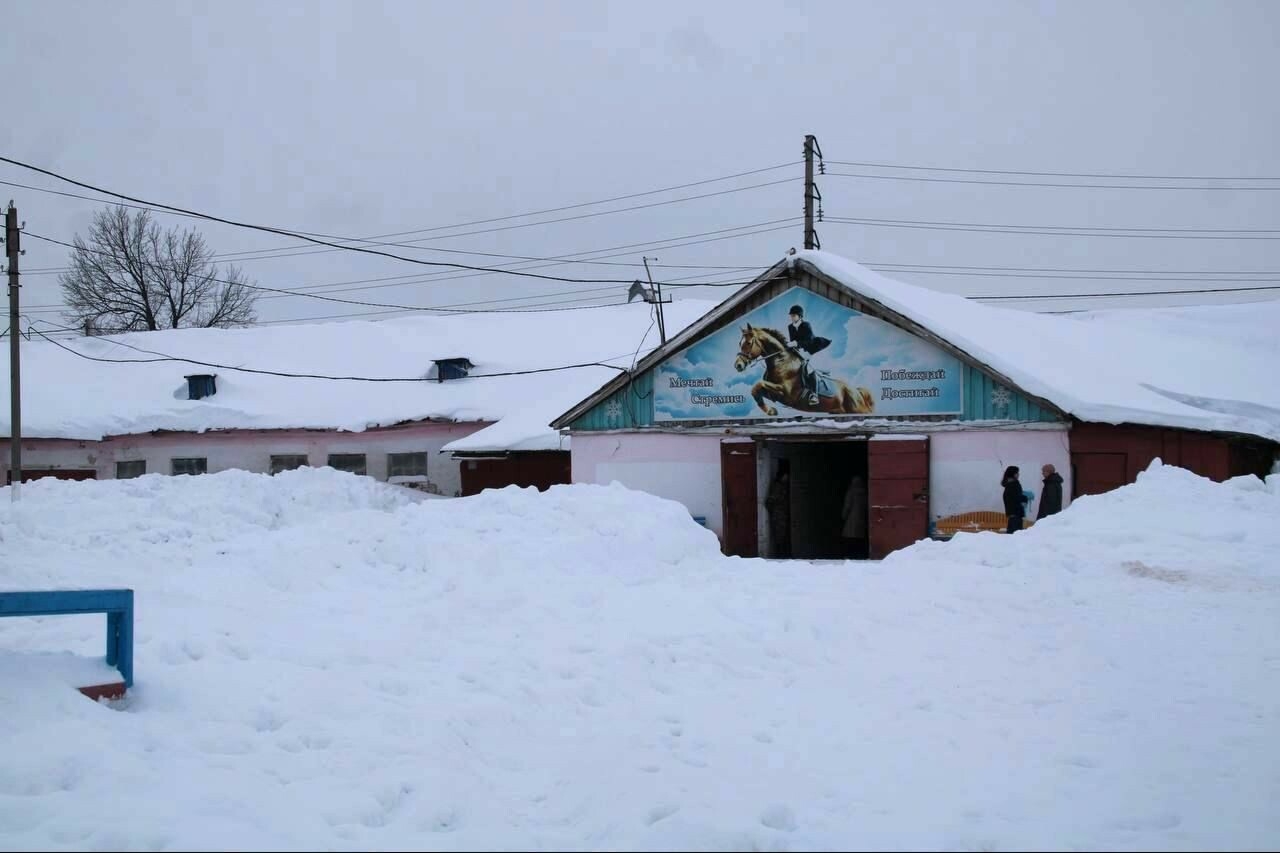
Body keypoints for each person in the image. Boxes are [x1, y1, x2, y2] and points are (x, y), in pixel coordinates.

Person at [786, 304, 831, 407]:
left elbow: (809, 341)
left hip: (815, 348)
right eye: (791, 315)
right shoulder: (790, 327)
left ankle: (814, 395)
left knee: (809, 368)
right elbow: (793, 341)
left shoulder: (806, 325)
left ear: (800, 316)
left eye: (794, 315)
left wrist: (796, 343)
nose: (792, 317)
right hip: (802, 351)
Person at [765, 461, 792, 558]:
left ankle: (784, 554)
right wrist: (776, 511)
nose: (787, 478)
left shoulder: (785, 486)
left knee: (784, 536)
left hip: (783, 515)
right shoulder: (778, 486)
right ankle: (781, 555)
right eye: (786, 476)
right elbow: (770, 501)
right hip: (779, 516)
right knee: (780, 537)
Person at [840, 471, 868, 559]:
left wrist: (843, 516)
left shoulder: (851, 491)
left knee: (850, 539)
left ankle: (849, 555)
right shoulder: (865, 492)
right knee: (859, 539)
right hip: (862, 520)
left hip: (851, 520)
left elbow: (847, 505)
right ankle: (858, 554)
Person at [1001, 465, 1027, 533]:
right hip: (1016, 514)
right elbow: (1017, 497)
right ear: (1013, 474)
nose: (1018, 474)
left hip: (1012, 515)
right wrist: (1025, 498)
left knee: (1011, 536)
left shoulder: (1008, 485)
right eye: (1017, 472)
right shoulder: (1014, 484)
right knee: (1016, 536)